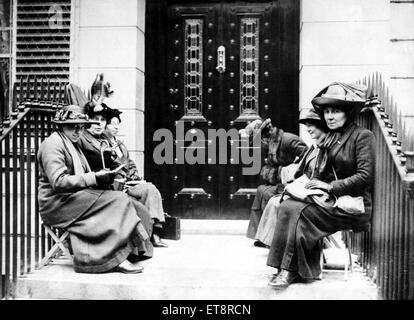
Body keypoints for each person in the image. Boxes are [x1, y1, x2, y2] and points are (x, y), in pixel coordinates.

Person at [266, 82, 375, 288]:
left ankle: (291, 271)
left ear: (348, 113)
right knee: (287, 205)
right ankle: (281, 267)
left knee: (300, 212)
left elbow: (365, 177)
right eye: (326, 112)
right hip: (332, 201)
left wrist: (329, 187)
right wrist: (309, 184)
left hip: (352, 206)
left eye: (336, 111)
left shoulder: (362, 136)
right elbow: (320, 173)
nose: (330, 117)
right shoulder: (332, 138)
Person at [37, 104, 153, 274]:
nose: (77, 132)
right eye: (72, 127)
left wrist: (103, 176)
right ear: (62, 126)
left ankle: (128, 252)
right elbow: (59, 182)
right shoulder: (52, 145)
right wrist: (94, 177)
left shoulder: (71, 143)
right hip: (56, 204)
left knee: (125, 201)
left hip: (73, 198)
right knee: (117, 200)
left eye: (81, 127)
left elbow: (81, 175)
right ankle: (112, 259)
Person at [78, 75, 168, 247]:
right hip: (104, 188)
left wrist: (132, 174)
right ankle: (142, 240)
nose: (98, 124)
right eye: (94, 120)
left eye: (102, 120)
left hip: (122, 182)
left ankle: (155, 232)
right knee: (138, 201)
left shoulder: (107, 140)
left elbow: (126, 161)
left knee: (150, 189)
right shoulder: (83, 139)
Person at [254, 108, 329, 247]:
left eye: (311, 125)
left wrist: (290, 170)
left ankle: (278, 247)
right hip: (298, 183)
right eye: (307, 126)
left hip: (315, 192)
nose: (308, 130)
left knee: (275, 200)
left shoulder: (289, 140)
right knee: (267, 195)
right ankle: (267, 241)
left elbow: (305, 161)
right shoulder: (319, 146)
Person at [104, 108, 169, 247]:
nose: (116, 127)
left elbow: (129, 162)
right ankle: (152, 234)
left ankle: (155, 232)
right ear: (105, 125)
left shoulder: (119, 144)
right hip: (117, 185)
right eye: (112, 124)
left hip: (129, 182)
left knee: (151, 189)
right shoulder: (103, 145)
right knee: (148, 190)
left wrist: (135, 175)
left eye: (118, 123)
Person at [242, 118, 308, 247]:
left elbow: (307, 159)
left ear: (266, 136)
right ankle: (261, 236)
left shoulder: (288, 140)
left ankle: (272, 240)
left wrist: (289, 172)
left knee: (268, 194)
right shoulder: (273, 143)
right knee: (261, 190)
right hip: (282, 180)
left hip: (294, 183)